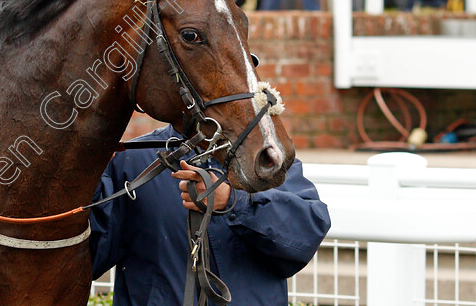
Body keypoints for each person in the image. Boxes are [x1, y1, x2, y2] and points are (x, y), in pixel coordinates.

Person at [90, 124, 331, 305]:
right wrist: (83, 177)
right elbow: (89, 256)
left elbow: (306, 234)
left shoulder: (264, 155)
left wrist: (234, 203)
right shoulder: (131, 162)